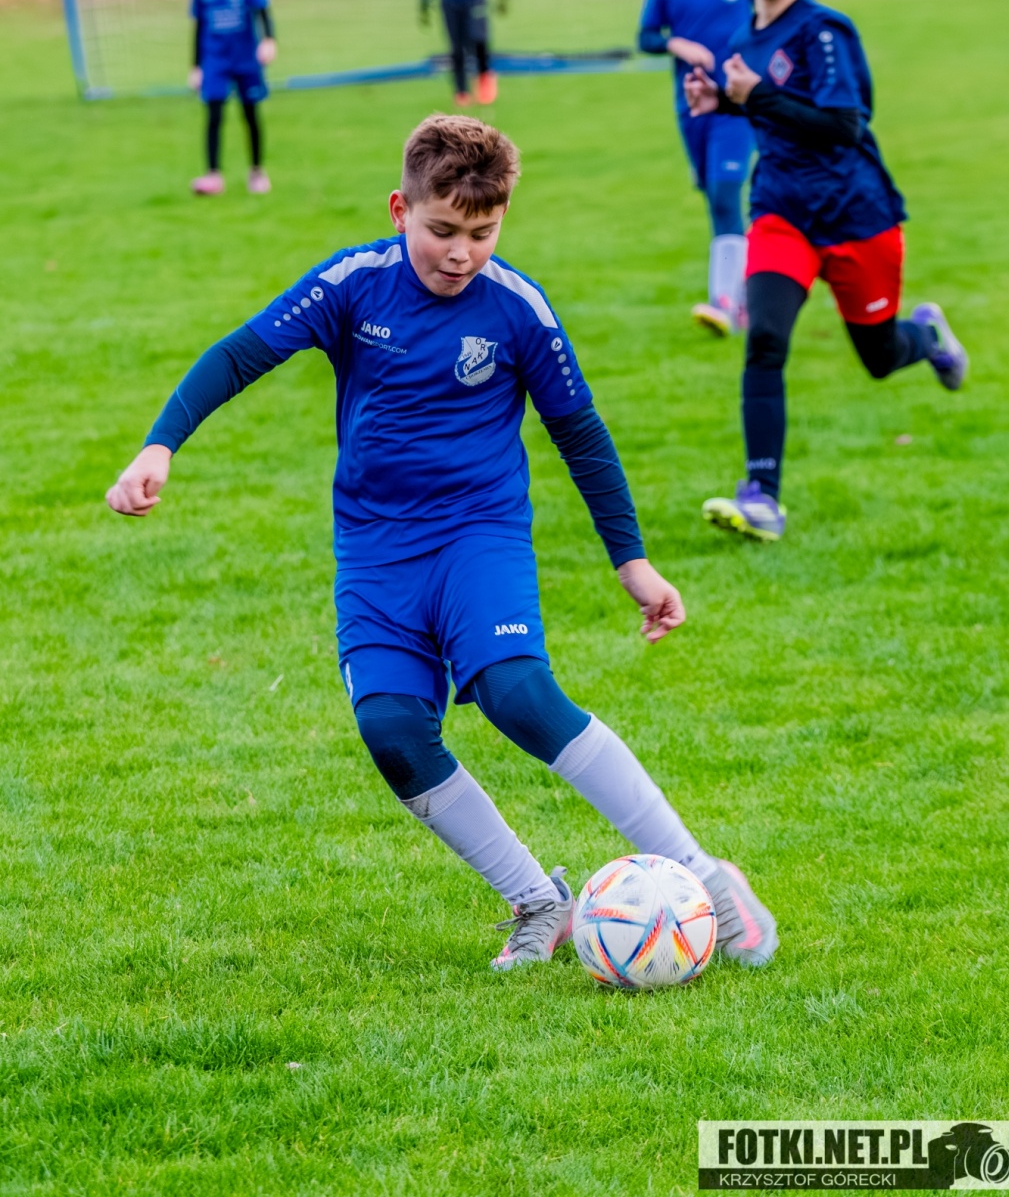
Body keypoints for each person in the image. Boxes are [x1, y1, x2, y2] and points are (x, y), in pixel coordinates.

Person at [106, 114, 777, 972]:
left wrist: (632, 562)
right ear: (400, 209)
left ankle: (705, 875)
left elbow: (581, 435)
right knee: (392, 730)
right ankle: (538, 899)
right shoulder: (353, 284)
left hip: (477, 534)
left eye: (482, 233)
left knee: (518, 693)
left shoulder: (518, 309)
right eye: (442, 229)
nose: (461, 253)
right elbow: (239, 355)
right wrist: (160, 444)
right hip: (376, 549)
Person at [685, 0, 967, 542]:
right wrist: (723, 103)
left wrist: (756, 95)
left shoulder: (824, 32)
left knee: (879, 357)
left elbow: (843, 126)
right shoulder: (744, 37)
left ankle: (926, 337)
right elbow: (770, 110)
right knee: (764, 340)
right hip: (781, 211)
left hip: (855, 216)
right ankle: (762, 496)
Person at [637, 0, 756, 337]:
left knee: (726, 193)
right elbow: (647, 37)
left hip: (738, 105)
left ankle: (724, 300)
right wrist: (678, 44)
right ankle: (745, 297)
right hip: (692, 106)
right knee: (716, 197)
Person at [188, 0, 277, 197]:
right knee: (214, 115)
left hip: (245, 58)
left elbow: (263, 13)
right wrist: (195, 66)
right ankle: (213, 175)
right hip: (215, 60)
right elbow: (198, 28)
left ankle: (257, 171)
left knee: (250, 114)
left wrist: (268, 40)